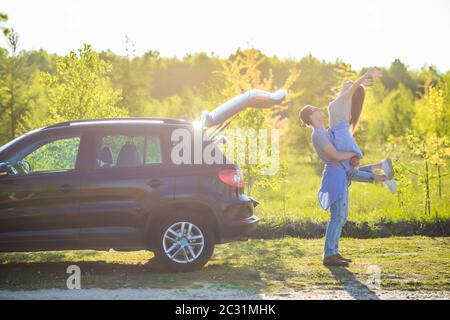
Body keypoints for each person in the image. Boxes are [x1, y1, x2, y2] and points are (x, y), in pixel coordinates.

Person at [298, 106, 393, 267]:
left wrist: (352, 157)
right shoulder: (318, 135)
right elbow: (335, 155)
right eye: (315, 109)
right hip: (335, 177)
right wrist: (353, 154)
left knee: (341, 217)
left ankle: (333, 252)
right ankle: (329, 255)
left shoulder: (326, 132)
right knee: (337, 217)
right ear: (312, 117)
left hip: (341, 172)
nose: (319, 110)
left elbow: (341, 149)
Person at [328, 67, 396, 192]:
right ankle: (381, 166)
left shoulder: (344, 99)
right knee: (350, 172)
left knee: (349, 173)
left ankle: (384, 178)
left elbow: (353, 87)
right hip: (341, 138)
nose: (348, 83)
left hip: (341, 138)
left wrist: (365, 76)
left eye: (351, 84)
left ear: (351, 91)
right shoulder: (341, 102)